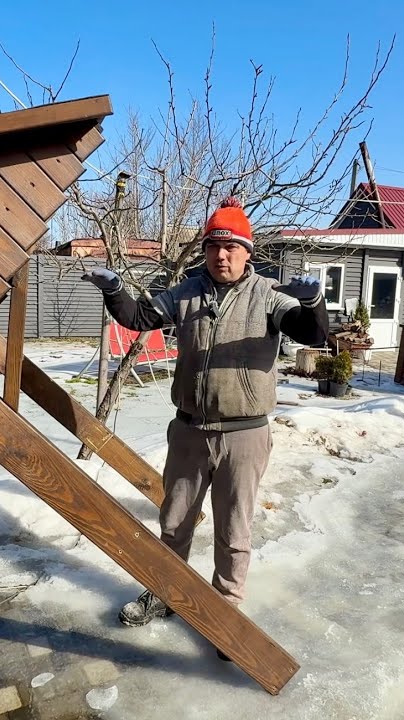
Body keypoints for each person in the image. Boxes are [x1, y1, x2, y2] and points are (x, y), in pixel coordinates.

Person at [81, 197, 329, 652]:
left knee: (233, 529)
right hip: (190, 431)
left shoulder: (269, 295)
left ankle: (224, 607)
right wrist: (115, 288)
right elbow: (138, 318)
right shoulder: (186, 292)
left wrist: (312, 303)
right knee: (174, 521)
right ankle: (165, 593)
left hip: (244, 435)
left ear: (247, 251)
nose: (222, 255)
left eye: (232, 247)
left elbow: (311, 333)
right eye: (214, 245)